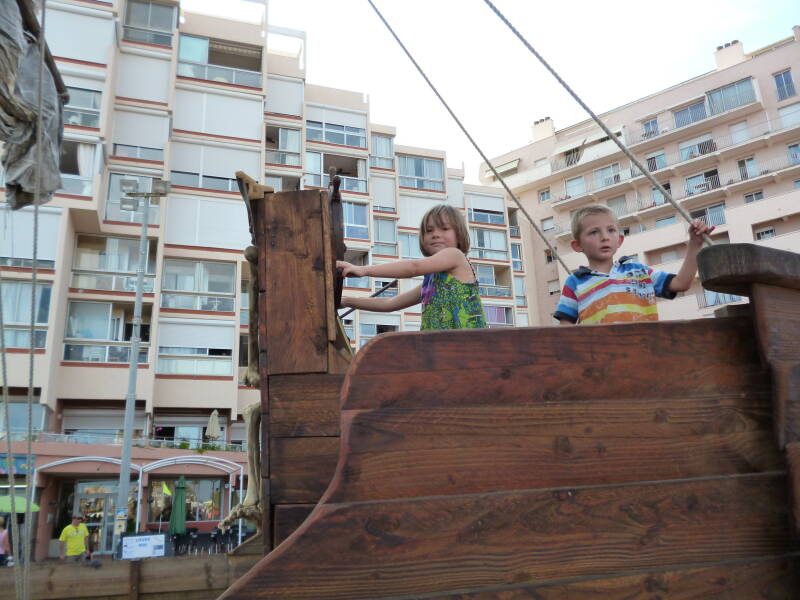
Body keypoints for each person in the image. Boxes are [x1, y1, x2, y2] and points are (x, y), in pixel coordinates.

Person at [553, 204, 714, 325]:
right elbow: (566, 329)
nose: (605, 237)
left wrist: (695, 245)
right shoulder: (575, 282)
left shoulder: (639, 272)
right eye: (594, 232)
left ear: (619, 240)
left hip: (644, 350)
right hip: (599, 356)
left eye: (611, 230)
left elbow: (681, 283)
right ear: (577, 245)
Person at [337, 204, 486, 330]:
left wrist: (364, 270)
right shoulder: (432, 283)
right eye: (429, 230)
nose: (435, 234)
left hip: (467, 345)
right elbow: (390, 303)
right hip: (439, 349)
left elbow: (414, 267)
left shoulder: (455, 255)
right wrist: (347, 301)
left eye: (444, 228)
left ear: (459, 235)